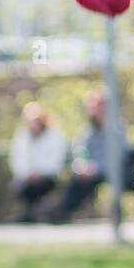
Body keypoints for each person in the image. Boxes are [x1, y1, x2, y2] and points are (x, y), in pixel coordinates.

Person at [48, 90, 114, 222]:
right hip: (89, 172)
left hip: (109, 171)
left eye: (97, 108)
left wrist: (96, 168)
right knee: (78, 181)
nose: (94, 112)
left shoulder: (115, 129)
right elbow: (79, 150)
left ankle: (61, 212)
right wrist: (82, 165)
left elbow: (116, 156)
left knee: (89, 179)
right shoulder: (88, 130)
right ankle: (62, 212)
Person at [7, 102, 67, 222]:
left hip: (47, 177)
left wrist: (40, 172)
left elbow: (56, 160)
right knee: (20, 186)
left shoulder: (54, 135)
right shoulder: (22, 137)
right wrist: (27, 174)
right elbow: (17, 159)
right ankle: (29, 214)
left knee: (39, 186)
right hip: (26, 178)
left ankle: (40, 214)